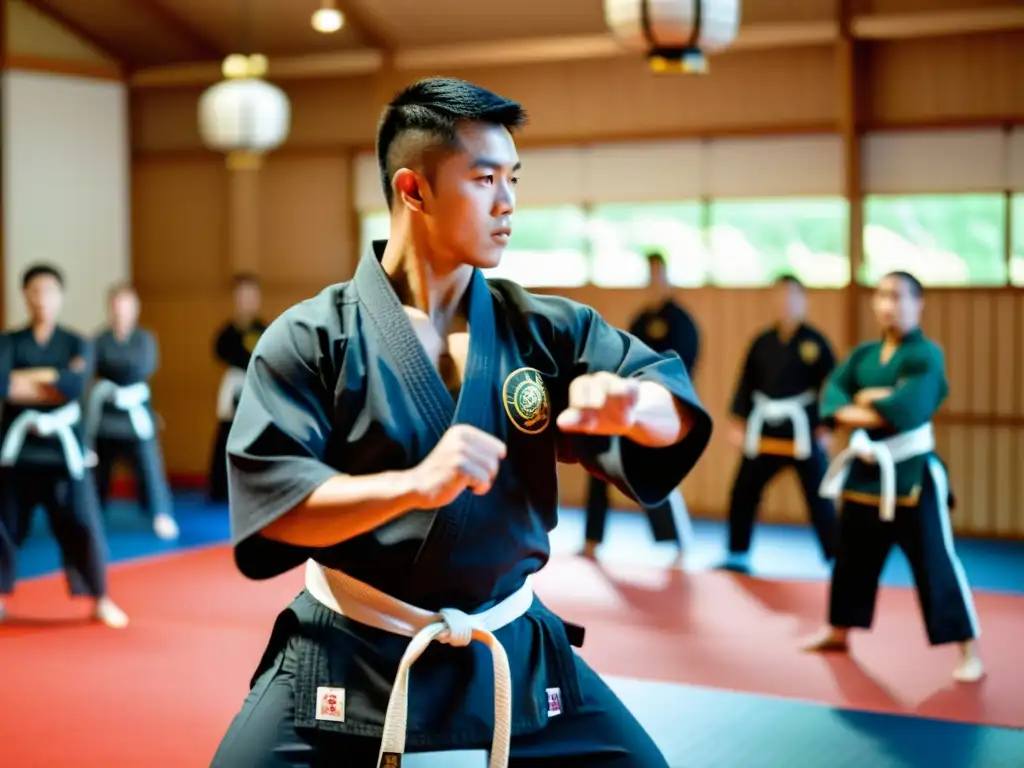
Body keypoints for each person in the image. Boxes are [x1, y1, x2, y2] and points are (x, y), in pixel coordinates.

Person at [209, 77, 713, 768]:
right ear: (413, 190)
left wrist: (634, 409)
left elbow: (666, 400)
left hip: (510, 648)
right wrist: (414, 486)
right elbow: (279, 511)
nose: (508, 204)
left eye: (513, 178)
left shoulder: (545, 328)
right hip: (352, 652)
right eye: (484, 179)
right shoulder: (311, 338)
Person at [802, 271, 984, 683]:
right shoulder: (864, 355)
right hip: (866, 472)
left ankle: (969, 648)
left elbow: (909, 409)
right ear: (875, 303)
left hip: (913, 474)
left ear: (918, 304)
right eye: (884, 296)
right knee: (850, 559)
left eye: (901, 297)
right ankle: (839, 630)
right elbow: (833, 398)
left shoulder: (926, 355)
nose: (891, 304)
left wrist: (867, 402)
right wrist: (868, 404)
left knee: (935, 564)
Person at [0, 264, 128, 628]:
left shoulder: (77, 342)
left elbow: (72, 386)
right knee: (4, 524)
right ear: (25, 295)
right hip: (17, 452)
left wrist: (28, 382)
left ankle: (100, 597)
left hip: (64, 451)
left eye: (49, 291)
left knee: (84, 523)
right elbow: (3, 385)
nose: (42, 299)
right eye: (35, 291)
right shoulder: (9, 341)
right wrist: (50, 381)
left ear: (61, 297)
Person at [582, 251, 700, 564]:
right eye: (649, 275)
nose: (654, 281)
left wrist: (660, 398)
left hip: (662, 409)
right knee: (598, 460)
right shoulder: (641, 318)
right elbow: (626, 356)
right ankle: (592, 539)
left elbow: (682, 369)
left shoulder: (681, 321)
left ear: (668, 277)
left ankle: (677, 544)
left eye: (658, 274)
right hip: (630, 405)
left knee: (656, 474)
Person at [721, 275, 838, 572]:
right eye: (781, 297)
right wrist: (739, 421)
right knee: (743, 488)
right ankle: (737, 553)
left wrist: (828, 426)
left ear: (804, 301)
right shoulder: (761, 342)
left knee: (820, 495)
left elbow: (835, 387)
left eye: (793, 297)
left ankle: (836, 558)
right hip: (766, 429)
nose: (786, 304)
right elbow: (745, 385)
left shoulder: (815, 342)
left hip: (803, 430)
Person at [86, 283, 178, 540]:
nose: (121, 311)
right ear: (109, 308)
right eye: (116, 306)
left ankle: (161, 514)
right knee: (99, 472)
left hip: (136, 413)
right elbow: (92, 369)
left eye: (126, 306)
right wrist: (114, 377)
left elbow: (141, 368)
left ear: (135, 309)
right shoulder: (99, 339)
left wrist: (116, 373)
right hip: (106, 416)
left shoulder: (145, 339)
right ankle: (91, 518)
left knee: (150, 467)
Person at [208, 273, 266, 503]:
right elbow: (222, 354)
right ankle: (221, 488)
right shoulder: (226, 333)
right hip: (234, 387)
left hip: (257, 386)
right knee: (227, 434)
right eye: (241, 296)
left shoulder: (264, 329)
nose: (246, 301)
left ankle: (258, 487)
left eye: (250, 296)